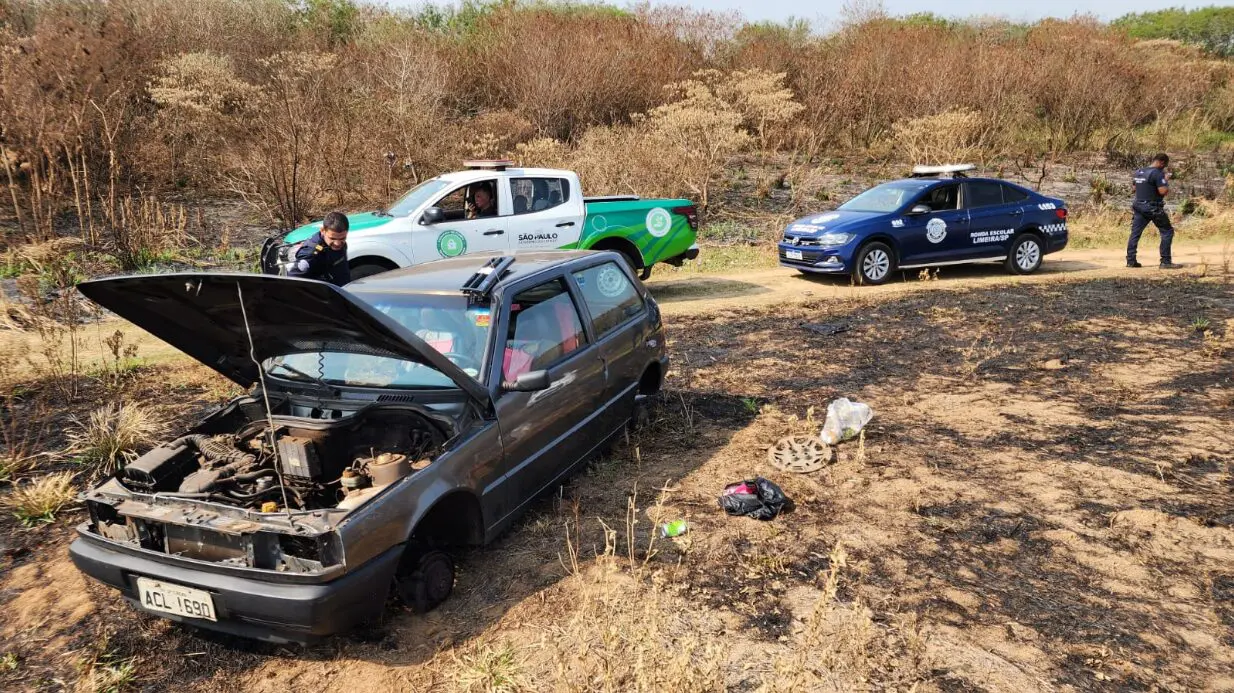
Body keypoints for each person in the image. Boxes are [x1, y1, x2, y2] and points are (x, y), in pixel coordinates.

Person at [1128, 153, 1182, 269]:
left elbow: (1134, 189)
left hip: (1138, 205)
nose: (1164, 167)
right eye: (1164, 165)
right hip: (1152, 207)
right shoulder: (1157, 173)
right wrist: (1165, 180)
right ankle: (1165, 261)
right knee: (1167, 232)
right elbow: (1163, 191)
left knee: (1135, 233)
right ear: (1161, 162)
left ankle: (1131, 261)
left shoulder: (1139, 171)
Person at [287, 211, 351, 286]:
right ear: (322, 231)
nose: (337, 243)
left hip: (343, 290)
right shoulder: (311, 254)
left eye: (342, 238)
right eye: (332, 238)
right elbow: (293, 282)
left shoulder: (338, 243)